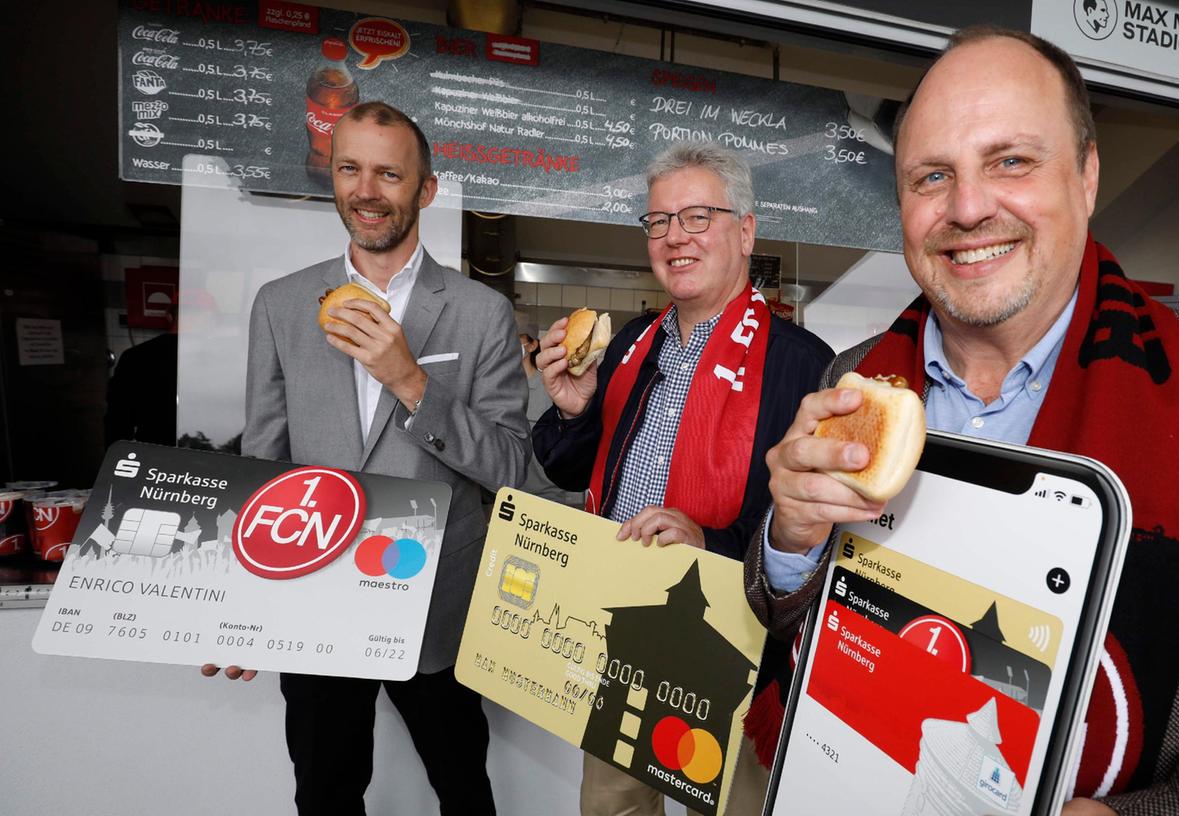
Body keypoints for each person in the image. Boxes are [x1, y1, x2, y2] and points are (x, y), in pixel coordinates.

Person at [747, 26, 1179, 815]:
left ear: (1086, 176)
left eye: (1010, 161)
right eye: (930, 177)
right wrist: (787, 543)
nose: (967, 207)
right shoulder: (852, 382)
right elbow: (790, 615)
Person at [203, 101, 529, 816]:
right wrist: (238, 608)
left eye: (389, 173)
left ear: (426, 190)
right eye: (350, 168)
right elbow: (265, 465)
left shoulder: (479, 312)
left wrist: (409, 379)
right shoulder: (282, 305)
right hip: (312, 605)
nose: (366, 190)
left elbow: (509, 466)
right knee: (324, 792)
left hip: (437, 607)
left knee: (463, 792)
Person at [531, 141, 833, 816]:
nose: (674, 237)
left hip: (732, 661)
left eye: (697, 217)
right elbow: (566, 467)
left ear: (745, 230)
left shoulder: (803, 364)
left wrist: (713, 544)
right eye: (659, 221)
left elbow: (818, 532)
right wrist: (573, 409)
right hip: (620, 641)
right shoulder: (629, 343)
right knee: (611, 807)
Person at [518, 331, 585, 507]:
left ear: (532, 345)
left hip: (548, 496)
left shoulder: (552, 385)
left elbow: (569, 440)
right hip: (509, 492)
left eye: (517, 338)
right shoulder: (501, 389)